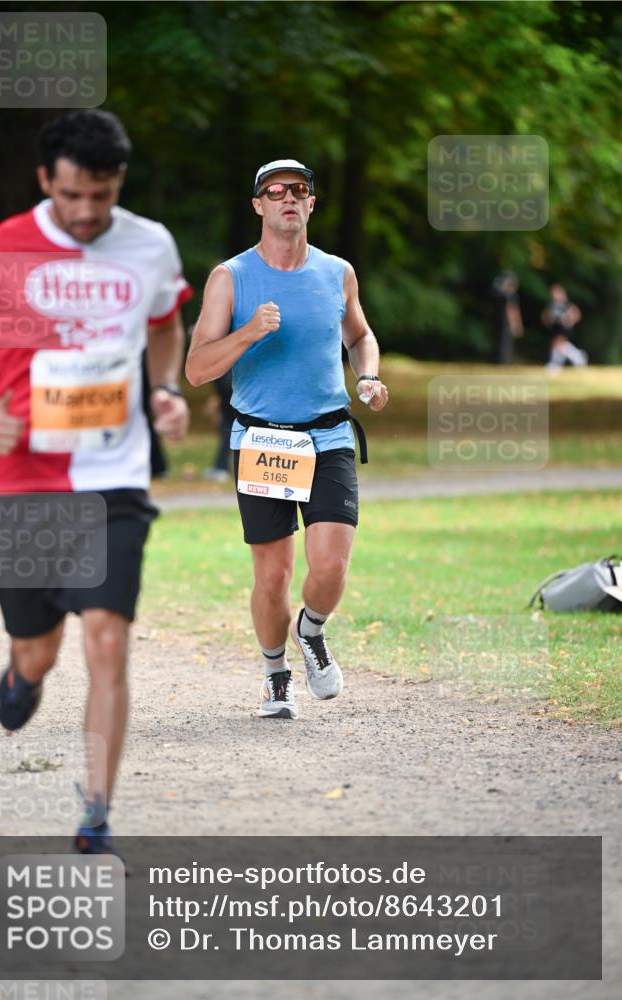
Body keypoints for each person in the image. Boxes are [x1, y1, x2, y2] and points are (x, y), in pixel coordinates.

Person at [0, 110, 192, 851]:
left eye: (102, 194)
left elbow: (164, 324)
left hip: (114, 476)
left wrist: (168, 391)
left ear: (118, 181)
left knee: (108, 640)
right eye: (71, 197)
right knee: (40, 650)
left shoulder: (149, 244)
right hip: (22, 482)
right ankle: (25, 676)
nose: (87, 212)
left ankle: (95, 816)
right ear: (44, 182)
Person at [186, 158, 388, 720]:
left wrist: (367, 375)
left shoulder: (337, 272)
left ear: (312, 203)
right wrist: (249, 332)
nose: (287, 199)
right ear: (258, 206)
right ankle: (276, 676)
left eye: (298, 190)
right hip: (263, 441)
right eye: (274, 192)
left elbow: (361, 335)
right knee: (272, 574)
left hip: (329, 434)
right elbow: (197, 368)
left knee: (330, 565)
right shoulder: (231, 277)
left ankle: (312, 631)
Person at [542, 283, 587, 369]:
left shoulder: (566, 304)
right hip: (556, 327)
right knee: (559, 345)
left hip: (563, 328)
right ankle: (578, 356)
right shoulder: (552, 305)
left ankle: (555, 364)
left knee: (559, 343)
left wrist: (570, 321)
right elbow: (546, 316)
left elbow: (576, 314)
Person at [203, 369, 235, 481]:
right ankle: (222, 466)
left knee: (230, 426)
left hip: (229, 380)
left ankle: (222, 467)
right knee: (228, 426)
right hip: (226, 380)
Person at [491, 271, 523, 364]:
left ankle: (502, 361)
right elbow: (512, 311)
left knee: (503, 343)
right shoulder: (507, 295)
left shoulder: (506, 295)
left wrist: (515, 324)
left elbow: (512, 310)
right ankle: (502, 361)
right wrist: (515, 324)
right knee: (504, 343)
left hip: (503, 322)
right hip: (505, 322)